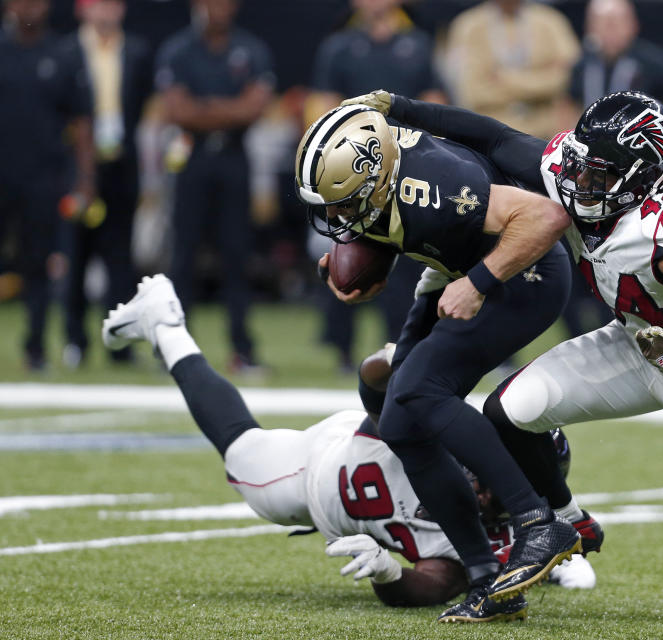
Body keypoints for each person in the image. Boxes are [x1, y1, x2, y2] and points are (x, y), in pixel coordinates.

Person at [344, 90, 663, 592]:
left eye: (599, 172)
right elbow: (495, 139)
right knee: (510, 411)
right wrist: (401, 109)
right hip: (636, 345)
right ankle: (571, 522)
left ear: (643, 174)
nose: (578, 178)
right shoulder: (578, 172)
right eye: (581, 162)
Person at [101, 274, 595, 613]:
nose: (485, 490)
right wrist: (395, 360)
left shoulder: (493, 536)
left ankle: (162, 324)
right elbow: (375, 387)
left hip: (355, 489)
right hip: (317, 472)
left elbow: (437, 582)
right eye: (493, 470)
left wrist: (388, 575)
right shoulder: (445, 433)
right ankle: (165, 324)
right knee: (239, 450)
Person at [294, 104, 596, 622]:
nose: (337, 218)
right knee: (402, 423)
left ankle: (536, 520)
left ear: (376, 177)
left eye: (344, 204)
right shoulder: (389, 172)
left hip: (524, 273)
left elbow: (545, 217)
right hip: (459, 266)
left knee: (420, 389)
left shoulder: (434, 189)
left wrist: (478, 283)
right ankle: (486, 575)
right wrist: (374, 256)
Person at [305, 0, 448, 372]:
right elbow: (321, 107)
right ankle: (341, 347)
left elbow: (436, 104)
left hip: (405, 168)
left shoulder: (417, 44)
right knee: (346, 253)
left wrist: (422, 151)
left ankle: (401, 346)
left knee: (406, 261)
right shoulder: (339, 46)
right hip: (351, 171)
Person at [154, 0, 275, 373]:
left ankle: (242, 348)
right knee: (183, 255)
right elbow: (175, 111)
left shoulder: (252, 49)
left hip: (234, 159)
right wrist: (228, 110)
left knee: (237, 256)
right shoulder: (178, 49)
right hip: (191, 158)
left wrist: (204, 108)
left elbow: (256, 107)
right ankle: (173, 349)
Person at [0, 0, 95, 371]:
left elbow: (82, 121)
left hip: (44, 178)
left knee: (38, 264)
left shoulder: (63, 54)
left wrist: (86, 179)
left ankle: (35, 347)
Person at [60, 0, 152, 368]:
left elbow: (143, 104)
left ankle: (121, 347)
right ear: (83, 9)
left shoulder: (137, 51)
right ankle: (75, 342)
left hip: (120, 164)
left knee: (119, 259)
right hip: (77, 166)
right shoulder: (66, 52)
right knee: (75, 255)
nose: (106, 11)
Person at [565, 0, 663, 139]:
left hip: (636, 150)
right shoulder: (581, 62)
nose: (609, 30)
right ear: (588, 26)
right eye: (601, 22)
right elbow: (565, 106)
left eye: (616, 22)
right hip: (593, 152)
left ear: (633, 24)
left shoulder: (653, 60)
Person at [444, 0, 580, 140]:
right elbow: (473, 93)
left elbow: (567, 79)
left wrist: (505, 78)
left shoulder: (551, 22)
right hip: (490, 136)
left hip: (547, 136)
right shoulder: (468, 26)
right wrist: (541, 83)